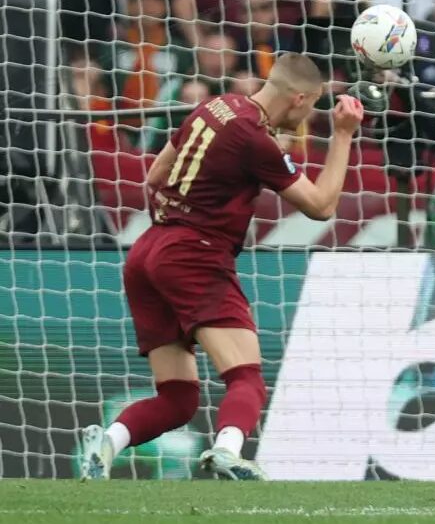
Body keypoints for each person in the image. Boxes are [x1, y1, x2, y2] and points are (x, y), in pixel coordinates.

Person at [78, 54, 364, 481]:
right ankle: (227, 451)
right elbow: (321, 206)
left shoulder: (215, 105)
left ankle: (107, 442)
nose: (308, 117)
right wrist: (343, 135)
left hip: (147, 252)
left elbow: (155, 175)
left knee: (178, 399)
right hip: (195, 256)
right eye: (312, 106)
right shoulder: (255, 139)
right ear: (300, 98)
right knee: (247, 378)